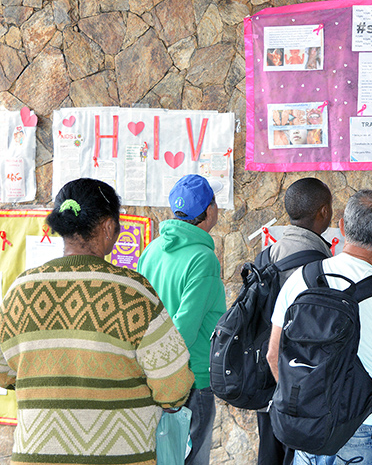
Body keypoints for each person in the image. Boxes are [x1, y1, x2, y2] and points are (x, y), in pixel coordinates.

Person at [0, 178, 194, 465]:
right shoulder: (134, 292)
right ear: (106, 227)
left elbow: (4, 371)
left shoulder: (20, 290)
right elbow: (175, 385)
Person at [267, 190, 372, 465]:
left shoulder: (301, 279)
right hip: (368, 433)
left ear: (341, 227)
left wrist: (307, 405)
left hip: (309, 431)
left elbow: (273, 355)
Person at [138, 174, 226, 465]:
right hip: (191, 379)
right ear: (210, 211)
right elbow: (184, 327)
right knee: (191, 458)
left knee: (163, 457)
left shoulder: (151, 251)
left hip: (154, 377)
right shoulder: (203, 258)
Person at [257, 177, 334, 465]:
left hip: (267, 381)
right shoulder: (320, 265)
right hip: (300, 387)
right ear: (323, 212)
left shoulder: (267, 254)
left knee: (269, 454)